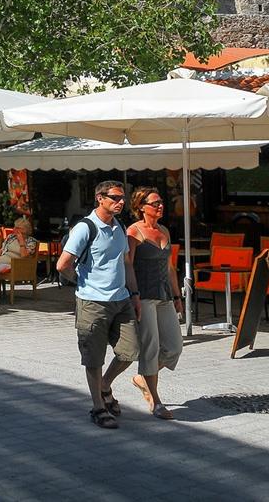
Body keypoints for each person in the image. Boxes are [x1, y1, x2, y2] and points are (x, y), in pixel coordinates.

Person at [57, 180, 141, 430]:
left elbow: (126, 263)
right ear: (100, 198)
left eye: (122, 197)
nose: (121, 202)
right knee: (94, 358)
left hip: (121, 299)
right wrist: (82, 284)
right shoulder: (85, 228)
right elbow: (63, 265)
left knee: (130, 351)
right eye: (115, 198)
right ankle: (98, 406)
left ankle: (104, 385)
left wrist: (134, 294)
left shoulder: (119, 227)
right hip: (92, 302)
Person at [127, 187, 183, 420]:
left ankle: (142, 378)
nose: (160, 206)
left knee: (174, 346)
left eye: (161, 202)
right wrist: (134, 295)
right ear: (141, 207)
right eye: (155, 203)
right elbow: (127, 265)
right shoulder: (133, 232)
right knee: (150, 348)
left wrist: (178, 296)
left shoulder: (164, 231)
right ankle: (156, 401)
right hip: (145, 296)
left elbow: (170, 267)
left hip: (164, 296)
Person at [0, 216, 35, 307]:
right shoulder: (10, 237)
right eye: (15, 227)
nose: (14, 229)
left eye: (18, 228)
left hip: (14, 264)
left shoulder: (31, 241)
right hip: (1, 262)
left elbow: (24, 255)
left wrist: (21, 242)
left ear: (25, 230)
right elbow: (2, 250)